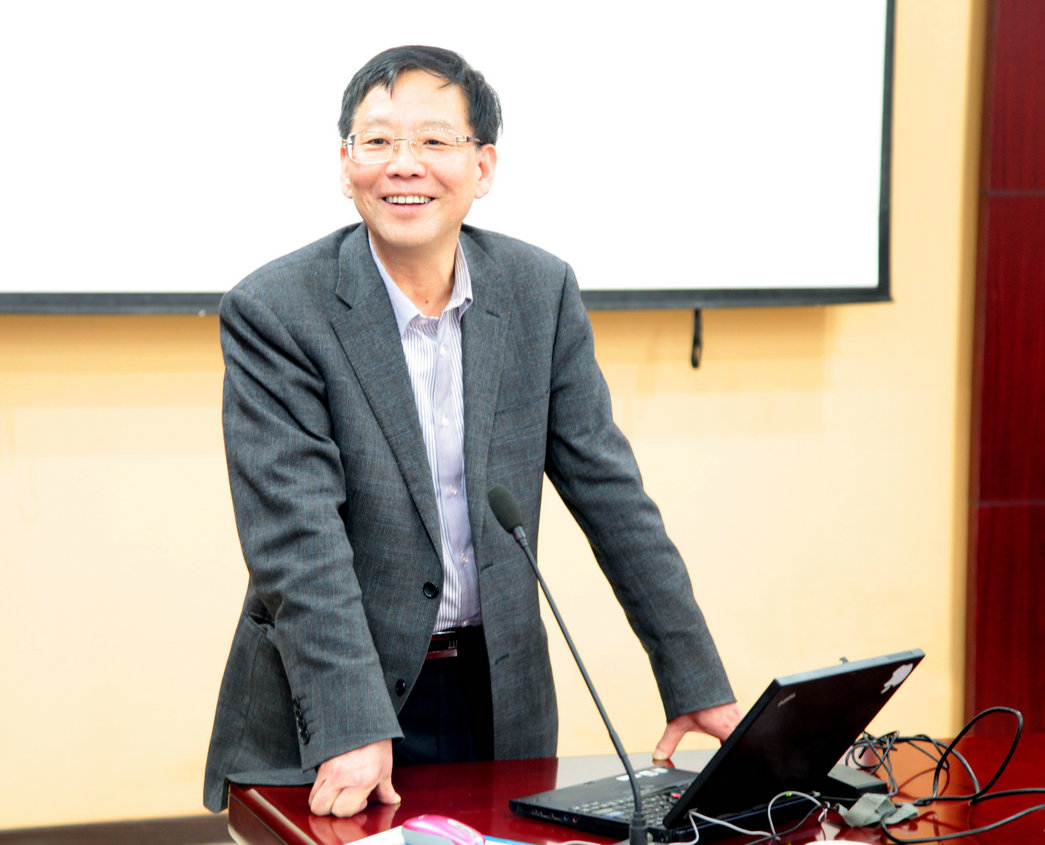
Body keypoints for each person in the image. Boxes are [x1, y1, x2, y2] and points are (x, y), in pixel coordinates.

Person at [204, 45, 740, 819]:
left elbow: (611, 495)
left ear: (482, 167)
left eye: (433, 140)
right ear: (345, 165)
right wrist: (352, 722)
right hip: (334, 697)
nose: (403, 164)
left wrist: (694, 677)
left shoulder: (537, 291)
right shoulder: (277, 310)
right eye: (377, 140)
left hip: (500, 695)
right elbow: (296, 540)